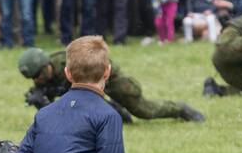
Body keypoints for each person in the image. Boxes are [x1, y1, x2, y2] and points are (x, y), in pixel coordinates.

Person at [19, 46, 204, 122]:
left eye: (38, 76)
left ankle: (180, 109)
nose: (37, 81)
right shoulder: (47, 77)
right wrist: (41, 102)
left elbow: (72, 103)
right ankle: (116, 112)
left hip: (108, 78)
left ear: (46, 67)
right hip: (90, 89)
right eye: (33, 78)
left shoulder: (70, 65)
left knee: (144, 111)